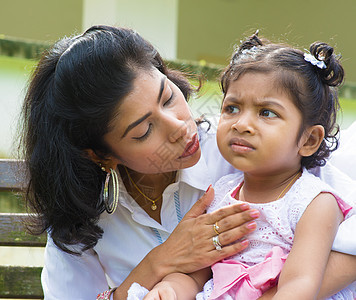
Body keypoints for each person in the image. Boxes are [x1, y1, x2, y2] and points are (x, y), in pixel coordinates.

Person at [18, 26, 356, 300]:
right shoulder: (81, 215)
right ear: (100, 154)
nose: (181, 127)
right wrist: (158, 263)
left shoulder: (247, 149)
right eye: (145, 130)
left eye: (168, 98)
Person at [141, 33, 356, 299]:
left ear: (309, 140)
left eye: (266, 112)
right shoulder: (220, 192)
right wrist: (170, 289)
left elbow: (299, 286)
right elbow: (197, 273)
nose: (241, 124)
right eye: (232, 108)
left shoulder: (314, 202)